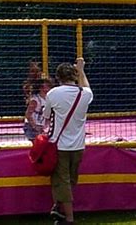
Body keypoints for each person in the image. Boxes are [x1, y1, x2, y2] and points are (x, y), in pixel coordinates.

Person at [43, 58, 93, 225]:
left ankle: (69, 218)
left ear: (58, 78)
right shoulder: (85, 94)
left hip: (60, 144)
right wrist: (81, 70)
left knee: (61, 180)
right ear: (74, 75)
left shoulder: (53, 94)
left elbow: (46, 116)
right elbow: (86, 86)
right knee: (71, 179)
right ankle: (59, 207)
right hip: (78, 144)